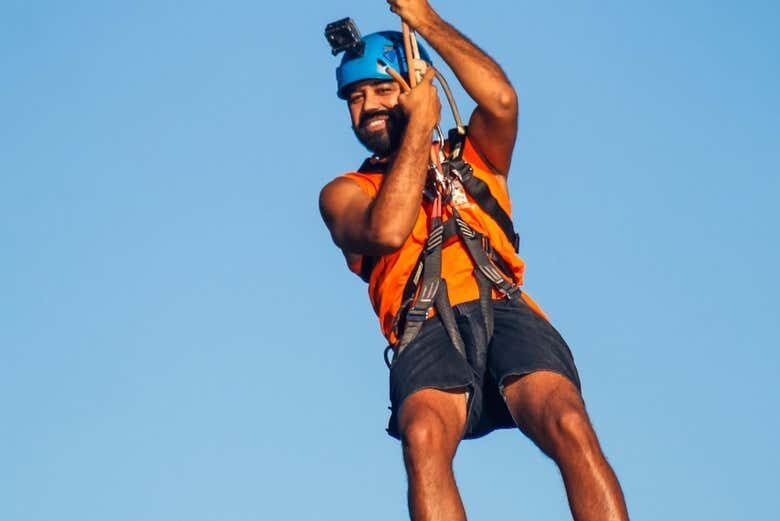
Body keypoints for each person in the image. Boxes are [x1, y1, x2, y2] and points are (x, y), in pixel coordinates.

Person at [319, 2, 630, 520]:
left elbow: (502, 100)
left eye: (381, 89)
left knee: (568, 420)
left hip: (503, 306)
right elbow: (388, 229)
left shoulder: (473, 155)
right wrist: (419, 126)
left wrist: (425, 19)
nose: (367, 105)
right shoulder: (347, 192)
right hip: (424, 326)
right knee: (423, 436)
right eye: (355, 97)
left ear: (416, 83)